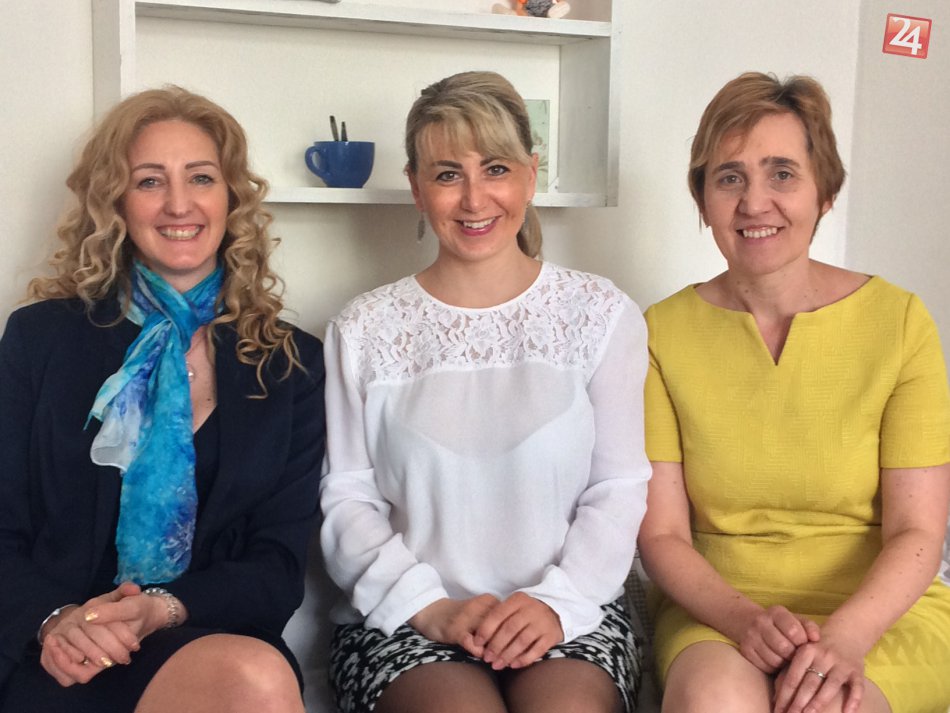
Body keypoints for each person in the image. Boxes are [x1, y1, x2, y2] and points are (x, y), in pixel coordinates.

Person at [319, 70, 651, 713]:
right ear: (416, 188)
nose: (474, 199)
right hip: (407, 618)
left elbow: (618, 487)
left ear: (530, 175)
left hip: (570, 611)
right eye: (448, 174)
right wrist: (429, 607)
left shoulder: (601, 314)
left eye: (495, 168)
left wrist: (556, 603)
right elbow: (348, 496)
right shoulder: (362, 329)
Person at [0, 86, 326, 713]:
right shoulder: (40, 339)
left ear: (230, 197)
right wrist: (54, 620)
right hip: (58, 650)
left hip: (213, 635)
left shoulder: (292, 364)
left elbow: (277, 565)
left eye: (201, 177)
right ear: (116, 202)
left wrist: (162, 608)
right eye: (149, 181)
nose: (179, 203)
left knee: (253, 679)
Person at [637, 71, 950, 713]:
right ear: (703, 199)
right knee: (715, 704)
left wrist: (848, 637)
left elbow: (918, 528)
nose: (755, 202)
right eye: (729, 178)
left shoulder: (899, 322)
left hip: (881, 612)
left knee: (833, 707)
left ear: (823, 192)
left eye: (782, 174)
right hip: (718, 612)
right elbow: (662, 535)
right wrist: (746, 620)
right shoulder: (660, 333)